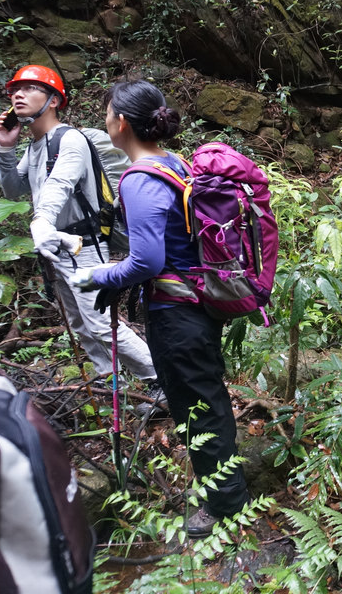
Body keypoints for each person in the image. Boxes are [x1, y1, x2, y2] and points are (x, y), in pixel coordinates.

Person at [70, 79, 251, 538]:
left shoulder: (139, 180)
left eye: (107, 113)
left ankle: (226, 506)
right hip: (197, 301)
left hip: (176, 313)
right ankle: (226, 489)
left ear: (121, 122)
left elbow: (147, 261)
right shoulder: (174, 163)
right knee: (206, 396)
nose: (104, 121)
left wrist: (99, 276)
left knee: (196, 405)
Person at [0, 64, 161, 394]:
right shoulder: (35, 145)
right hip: (57, 246)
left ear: (54, 100)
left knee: (100, 323)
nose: (18, 95)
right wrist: (5, 148)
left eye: (29, 88)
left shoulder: (70, 139)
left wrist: (41, 221)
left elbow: (60, 183)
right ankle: (114, 389)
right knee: (82, 326)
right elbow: (12, 190)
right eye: (15, 90)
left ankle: (159, 379)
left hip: (84, 245)